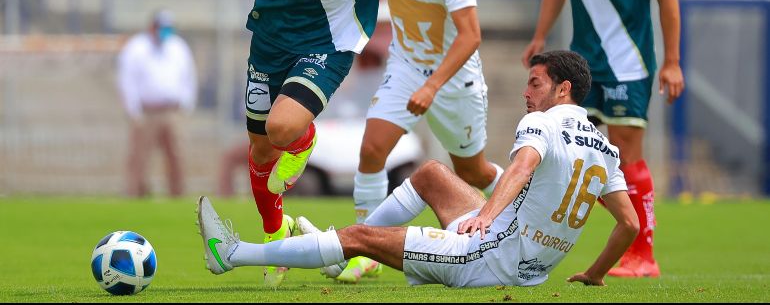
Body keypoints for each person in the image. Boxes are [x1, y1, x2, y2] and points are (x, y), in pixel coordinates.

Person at [195, 0, 537, 287]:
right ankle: (275, 234)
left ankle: (303, 144)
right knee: (260, 148)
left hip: (329, 44)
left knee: (282, 130)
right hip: (269, 38)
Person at [196, 50, 639, 288]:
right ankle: (338, 257)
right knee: (430, 173)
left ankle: (233, 255)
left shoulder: (540, 122)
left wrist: (484, 218)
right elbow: (629, 224)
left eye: (535, 83)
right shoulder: (604, 145)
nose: (526, 92)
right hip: (526, 262)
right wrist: (595, 273)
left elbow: (522, 168)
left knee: (358, 237)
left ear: (563, 89)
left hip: (485, 259)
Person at [520, 0, 685, 278]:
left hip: (629, 63)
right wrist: (538, 37)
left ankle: (642, 254)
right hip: (580, 65)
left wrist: (672, 61)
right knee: (563, 149)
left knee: (627, 151)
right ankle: (533, 242)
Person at [339, 0, 505, 283]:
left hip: (454, 79)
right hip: (406, 65)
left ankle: (526, 202)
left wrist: (434, 86)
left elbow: (471, 36)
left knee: (473, 173)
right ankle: (366, 250)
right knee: (372, 151)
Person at [116, 10, 197, 198]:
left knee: (177, 155)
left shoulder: (178, 47)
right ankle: (136, 193)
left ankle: (177, 194)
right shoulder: (137, 47)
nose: (164, 31)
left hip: (172, 111)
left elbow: (188, 77)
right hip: (147, 111)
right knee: (140, 156)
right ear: (152, 26)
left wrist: (186, 105)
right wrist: (133, 110)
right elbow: (127, 80)